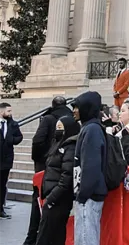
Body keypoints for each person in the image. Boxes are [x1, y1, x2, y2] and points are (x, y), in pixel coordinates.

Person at [28, 97, 71, 242]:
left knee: (39, 204)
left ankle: (31, 238)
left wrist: (41, 159)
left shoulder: (48, 119)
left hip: (49, 169)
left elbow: (38, 141)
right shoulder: (71, 118)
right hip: (57, 171)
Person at [37, 116, 80, 245]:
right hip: (53, 196)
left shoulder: (70, 147)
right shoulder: (57, 145)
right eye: (56, 128)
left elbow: (66, 177)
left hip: (58, 199)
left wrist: (51, 198)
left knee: (48, 236)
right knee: (53, 235)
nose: (57, 131)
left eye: (60, 128)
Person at [72, 91, 107, 245]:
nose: (74, 110)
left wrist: (82, 194)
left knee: (86, 239)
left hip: (89, 196)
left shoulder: (92, 129)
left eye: (77, 107)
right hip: (89, 194)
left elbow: (91, 165)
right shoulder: (90, 128)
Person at [0, 103, 22, 219]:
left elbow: (19, 137)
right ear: (1, 112)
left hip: (6, 160)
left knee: (2, 185)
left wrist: (11, 140)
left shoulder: (13, 124)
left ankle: (0, 208)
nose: (10, 113)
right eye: (8, 111)